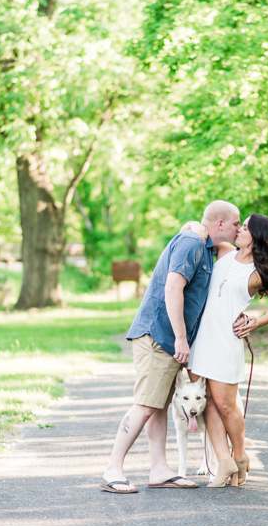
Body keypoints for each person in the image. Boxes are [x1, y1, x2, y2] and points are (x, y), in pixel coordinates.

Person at [100, 200, 241, 493]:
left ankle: (159, 470)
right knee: (145, 405)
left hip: (169, 339)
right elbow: (173, 287)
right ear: (219, 224)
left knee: (160, 405)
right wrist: (180, 337)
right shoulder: (192, 242)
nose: (238, 228)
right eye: (236, 223)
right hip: (158, 336)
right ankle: (113, 468)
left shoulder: (206, 247)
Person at [186, 213, 268, 487]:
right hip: (202, 340)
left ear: (256, 237)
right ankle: (223, 463)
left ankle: (240, 457)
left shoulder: (260, 274)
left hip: (226, 342)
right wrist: (192, 226)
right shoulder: (223, 251)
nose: (239, 230)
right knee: (207, 401)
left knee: (225, 405)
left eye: (245, 227)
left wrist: (256, 321)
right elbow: (193, 229)